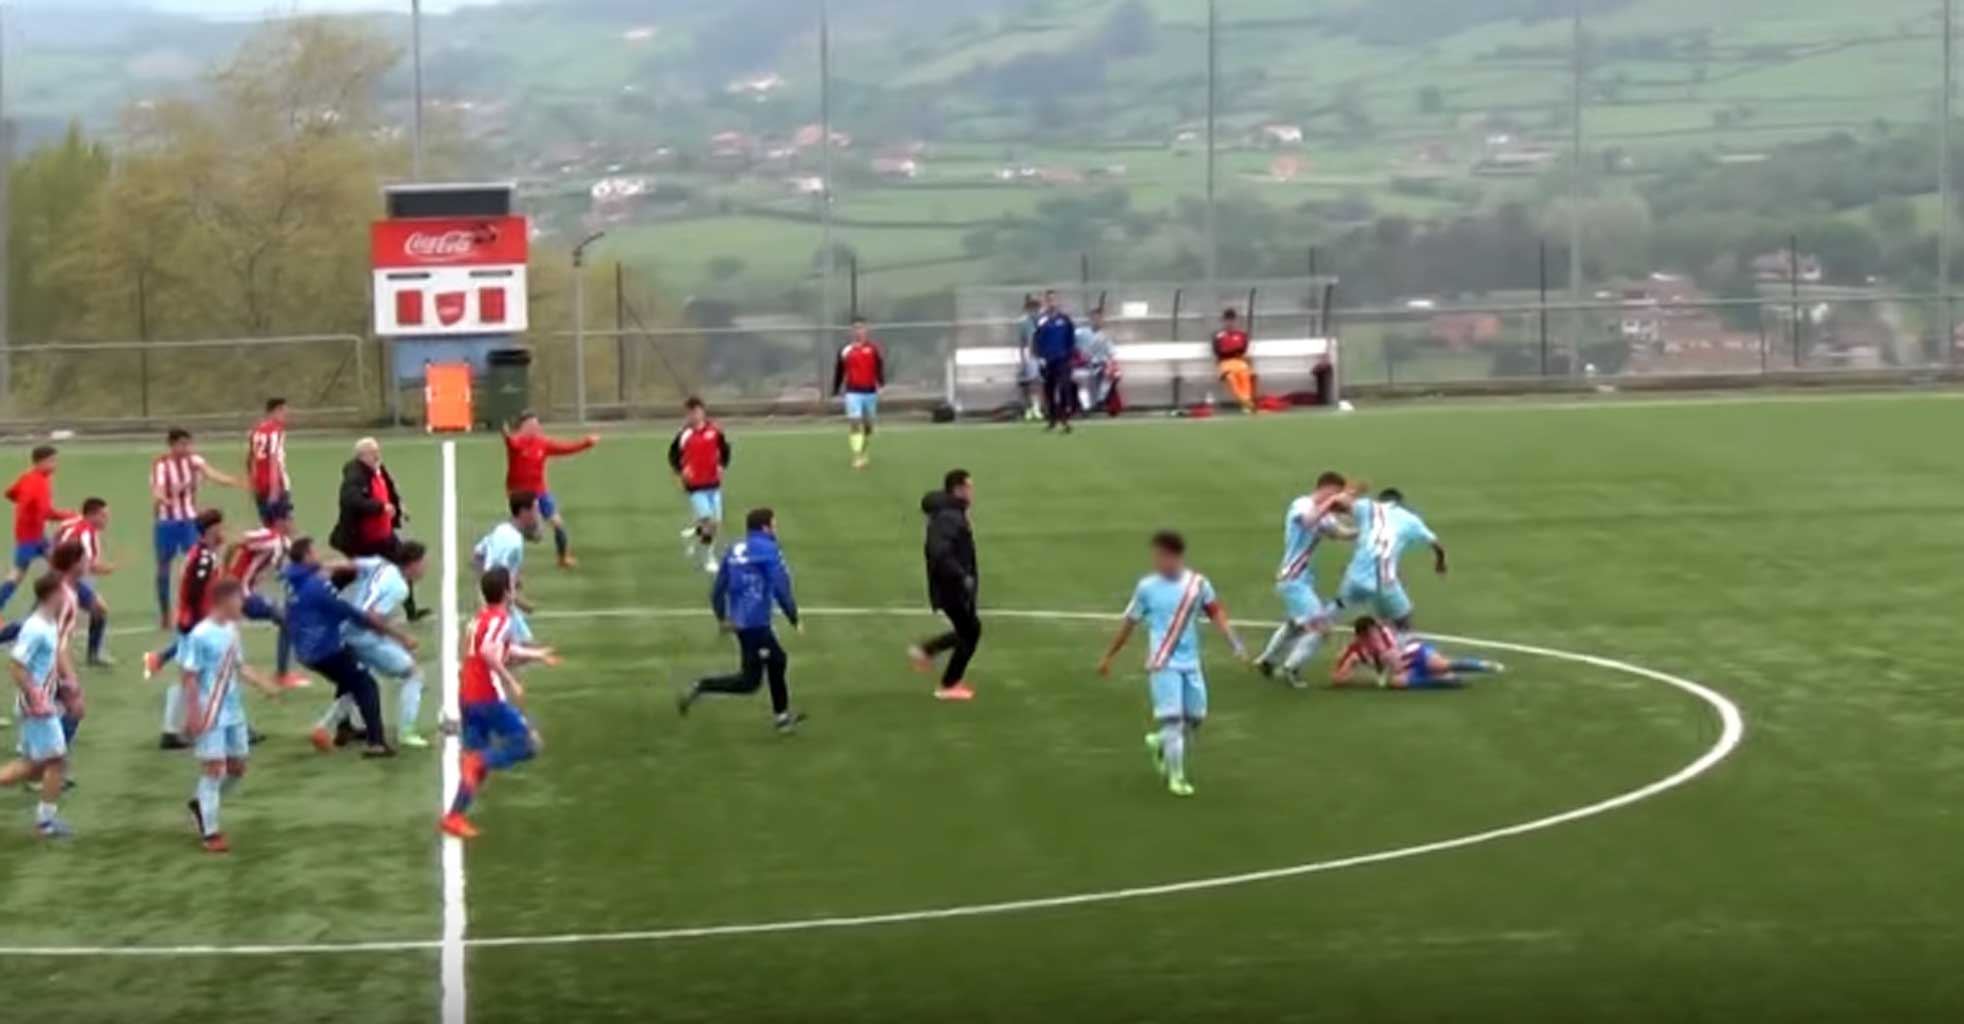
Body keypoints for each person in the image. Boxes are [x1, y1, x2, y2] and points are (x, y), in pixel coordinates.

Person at [1096, 531, 1248, 798]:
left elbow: (1216, 613)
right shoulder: (1146, 587)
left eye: (1160, 556)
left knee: (1196, 717)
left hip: (1191, 662)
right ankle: (1176, 777)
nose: (1157, 561)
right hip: (1162, 663)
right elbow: (1129, 623)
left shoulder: (1198, 585)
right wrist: (1110, 655)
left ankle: (1159, 743)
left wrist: (1234, 643)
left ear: (1174, 556)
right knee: (1173, 722)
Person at [440, 567, 558, 841]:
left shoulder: (481, 618)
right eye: (513, 585)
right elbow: (489, 653)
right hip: (486, 697)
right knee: (529, 745)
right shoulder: (500, 619)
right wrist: (512, 682)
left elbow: (500, 650)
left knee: (475, 768)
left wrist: (536, 655)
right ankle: (478, 761)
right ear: (507, 592)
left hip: (468, 696)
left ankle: (454, 817)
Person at [284, 537, 416, 759]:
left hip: (305, 648)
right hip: (324, 648)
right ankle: (376, 742)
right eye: (314, 552)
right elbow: (346, 611)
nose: (319, 555)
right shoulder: (317, 586)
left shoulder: (296, 580)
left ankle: (342, 728)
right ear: (306, 557)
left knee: (350, 679)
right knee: (366, 684)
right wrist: (396, 635)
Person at [677, 508, 806, 733]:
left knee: (761, 672)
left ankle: (781, 716)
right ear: (765, 527)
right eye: (774, 525)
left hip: (741, 621)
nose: (776, 529)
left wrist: (722, 618)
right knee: (763, 671)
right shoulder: (769, 550)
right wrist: (793, 617)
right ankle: (781, 718)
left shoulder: (734, 549)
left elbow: (717, 590)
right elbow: (780, 587)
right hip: (755, 622)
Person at [180, 579, 284, 854]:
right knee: (214, 770)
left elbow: (240, 666)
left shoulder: (232, 630)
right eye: (241, 601)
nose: (244, 606)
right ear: (224, 601)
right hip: (209, 711)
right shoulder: (200, 635)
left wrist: (264, 684)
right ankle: (210, 833)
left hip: (233, 710)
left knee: (237, 768)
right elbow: (189, 677)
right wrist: (192, 713)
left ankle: (201, 804)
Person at [320, 542, 429, 749]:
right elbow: (372, 617)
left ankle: (325, 727)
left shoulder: (380, 564)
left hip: (343, 629)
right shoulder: (400, 587)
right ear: (412, 564)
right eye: (422, 563)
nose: (425, 568)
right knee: (414, 673)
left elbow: (349, 564)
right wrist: (401, 638)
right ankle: (407, 731)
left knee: (359, 678)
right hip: (361, 634)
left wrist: (323, 568)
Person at [1254, 472, 1357, 687]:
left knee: (1295, 625)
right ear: (1327, 488)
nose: (1337, 498)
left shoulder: (1325, 514)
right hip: (1293, 577)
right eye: (1336, 492)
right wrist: (1332, 501)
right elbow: (1309, 519)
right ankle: (1292, 667)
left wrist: (1367, 529)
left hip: (1303, 579)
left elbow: (1341, 533)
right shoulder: (1301, 504)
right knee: (1322, 627)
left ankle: (1267, 660)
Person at [0, 576, 76, 838]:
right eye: (63, 591)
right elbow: (16, 665)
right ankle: (45, 822)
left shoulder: (48, 623)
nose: (67, 596)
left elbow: (43, 664)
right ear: (52, 594)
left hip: (43, 702)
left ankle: (45, 820)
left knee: (34, 766)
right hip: (37, 707)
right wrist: (37, 697)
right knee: (56, 759)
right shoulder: (35, 627)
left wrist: (64, 684)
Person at [144, 509, 226, 749]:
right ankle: (183, 729)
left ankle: (175, 729)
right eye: (220, 527)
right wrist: (202, 625)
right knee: (198, 677)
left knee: (193, 678)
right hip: (196, 625)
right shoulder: (204, 558)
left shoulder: (202, 554)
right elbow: (195, 594)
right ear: (211, 530)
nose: (223, 531)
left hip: (193, 624)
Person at [151, 428, 245, 628]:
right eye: (182, 445)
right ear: (172, 445)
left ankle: (206, 606)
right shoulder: (161, 465)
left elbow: (211, 473)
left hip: (189, 521)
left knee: (200, 561)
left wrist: (231, 481)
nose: (186, 449)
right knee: (163, 567)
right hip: (166, 522)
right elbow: (158, 489)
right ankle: (165, 613)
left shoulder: (194, 461)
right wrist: (161, 498)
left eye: (188, 444)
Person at [330, 437, 425, 622]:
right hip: (363, 539)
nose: (378, 456)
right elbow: (351, 500)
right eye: (373, 453)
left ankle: (411, 611)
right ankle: (321, 602)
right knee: (345, 575)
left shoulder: (377, 469)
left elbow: (388, 487)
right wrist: (380, 507)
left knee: (405, 564)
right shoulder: (355, 476)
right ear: (362, 456)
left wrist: (399, 506)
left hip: (383, 535)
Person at [908, 469, 982, 701]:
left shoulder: (952, 512)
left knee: (968, 630)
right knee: (970, 632)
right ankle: (949, 684)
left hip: (952, 583)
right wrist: (961, 576)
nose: (972, 491)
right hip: (951, 585)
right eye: (969, 487)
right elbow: (939, 551)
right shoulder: (949, 516)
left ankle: (926, 651)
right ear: (958, 489)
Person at [1336, 488, 1447, 633]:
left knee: (1344, 608)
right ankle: (1399, 648)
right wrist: (1440, 563)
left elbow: (1342, 507)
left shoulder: (1368, 508)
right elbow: (1437, 545)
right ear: (1399, 503)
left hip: (1356, 575)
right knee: (1404, 620)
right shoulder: (1410, 519)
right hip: (1383, 580)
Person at [502, 411, 598, 568]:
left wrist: (586, 443)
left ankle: (563, 557)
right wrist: (506, 436)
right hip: (519, 495)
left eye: (536, 424)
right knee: (522, 532)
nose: (535, 427)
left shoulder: (543, 444)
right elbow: (510, 443)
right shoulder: (517, 443)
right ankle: (504, 557)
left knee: (558, 523)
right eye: (530, 424)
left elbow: (566, 448)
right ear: (522, 427)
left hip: (540, 492)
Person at [223, 500, 302, 688]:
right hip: (239, 593)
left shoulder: (283, 542)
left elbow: (293, 567)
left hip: (244, 592)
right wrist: (225, 573)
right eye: (289, 518)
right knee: (286, 620)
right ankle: (282, 675)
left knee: (206, 628)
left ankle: (160, 658)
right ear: (279, 521)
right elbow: (235, 543)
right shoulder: (268, 537)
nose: (293, 522)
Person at [1330, 617, 1504, 690]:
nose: (1375, 636)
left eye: (1375, 631)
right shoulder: (1358, 650)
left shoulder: (1385, 634)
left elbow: (1393, 659)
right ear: (1362, 636)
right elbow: (1337, 678)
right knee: (1397, 683)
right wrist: (1349, 668)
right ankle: (1445, 681)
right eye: (1370, 634)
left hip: (1417, 655)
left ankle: (1485, 665)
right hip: (1405, 669)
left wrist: (1379, 669)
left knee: (1442, 665)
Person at [0, 446, 74, 615]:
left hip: (36, 535)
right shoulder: (39, 483)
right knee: (18, 573)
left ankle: (42, 606)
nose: (56, 465)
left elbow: (9, 493)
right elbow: (47, 512)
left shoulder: (27, 477)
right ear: (41, 462)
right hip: (29, 537)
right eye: (52, 461)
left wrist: (25, 504)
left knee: (58, 566)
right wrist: (69, 515)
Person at [668, 398, 731, 573]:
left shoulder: (715, 431)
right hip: (695, 486)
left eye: (697, 412)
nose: (694, 416)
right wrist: (682, 470)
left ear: (702, 412)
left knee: (715, 523)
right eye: (691, 413)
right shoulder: (684, 435)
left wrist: (721, 466)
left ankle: (696, 535)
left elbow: (725, 450)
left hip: (714, 483)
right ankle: (709, 557)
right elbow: (673, 456)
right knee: (709, 522)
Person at [52, 499, 115, 668]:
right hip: (67, 580)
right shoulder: (87, 533)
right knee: (95, 611)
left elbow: (55, 539)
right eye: (103, 516)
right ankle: (91, 655)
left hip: (55, 575)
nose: (106, 520)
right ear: (92, 515)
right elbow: (89, 565)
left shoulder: (71, 523)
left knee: (96, 610)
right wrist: (107, 569)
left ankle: (92, 654)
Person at [472, 491, 542, 642]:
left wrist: (513, 578)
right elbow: (494, 579)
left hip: (499, 600)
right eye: (535, 510)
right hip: (496, 603)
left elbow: (478, 553)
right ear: (524, 512)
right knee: (519, 649)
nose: (538, 515)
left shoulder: (503, 529)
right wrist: (520, 602)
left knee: (521, 648)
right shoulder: (511, 540)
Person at [832, 318, 886, 470]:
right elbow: (839, 370)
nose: (858, 331)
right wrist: (836, 389)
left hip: (870, 392)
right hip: (853, 392)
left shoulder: (873, 348)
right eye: (855, 329)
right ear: (851, 332)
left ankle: (863, 451)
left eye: (861, 328)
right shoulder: (845, 350)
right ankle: (857, 456)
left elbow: (879, 367)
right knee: (855, 423)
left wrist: (881, 385)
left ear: (866, 331)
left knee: (868, 426)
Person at [1032, 290, 1078, 432]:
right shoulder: (1042, 320)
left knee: (1064, 388)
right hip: (1048, 361)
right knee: (1049, 391)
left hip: (1063, 360)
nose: (1052, 303)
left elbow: (1071, 339)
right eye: (1049, 300)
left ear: (1058, 301)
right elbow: (1037, 340)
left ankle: (1064, 418)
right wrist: (1040, 357)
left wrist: (1070, 356)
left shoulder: (1065, 320)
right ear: (1046, 302)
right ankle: (1052, 420)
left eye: (1054, 300)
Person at [246, 398, 291, 525]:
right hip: (276, 485)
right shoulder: (275, 431)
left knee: (268, 526)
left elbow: (250, 459)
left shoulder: (256, 431)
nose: (286, 415)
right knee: (285, 526)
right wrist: (275, 489)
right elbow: (273, 459)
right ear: (275, 411)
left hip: (260, 486)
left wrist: (252, 483)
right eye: (283, 411)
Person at [1074, 307, 1119, 416]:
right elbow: (1072, 345)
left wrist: (1110, 364)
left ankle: (1101, 400)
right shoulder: (1081, 333)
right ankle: (1086, 408)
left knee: (1111, 374)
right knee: (1081, 379)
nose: (1097, 320)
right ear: (1090, 319)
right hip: (1083, 365)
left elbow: (1112, 353)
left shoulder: (1105, 336)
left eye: (1099, 318)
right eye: (1094, 318)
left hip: (1100, 365)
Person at [1213, 308, 1257, 413]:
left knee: (1245, 376)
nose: (1230, 323)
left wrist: (1231, 349)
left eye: (1232, 320)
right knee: (1231, 378)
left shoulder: (1241, 335)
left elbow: (1243, 348)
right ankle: (1247, 403)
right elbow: (1219, 351)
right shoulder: (1218, 336)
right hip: (1225, 363)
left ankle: (1246, 404)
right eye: (1227, 320)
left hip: (1239, 361)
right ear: (1223, 321)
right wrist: (1233, 349)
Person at [1014, 295, 1044, 421]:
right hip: (1030, 355)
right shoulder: (1024, 323)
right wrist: (1022, 358)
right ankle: (1030, 408)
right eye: (1031, 307)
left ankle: (1038, 407)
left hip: (1042, 354)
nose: (1034, 309)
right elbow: (1022, 342)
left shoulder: (1043, 321)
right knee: (1031, 382)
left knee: (1040, 383)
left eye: (1036, 306)